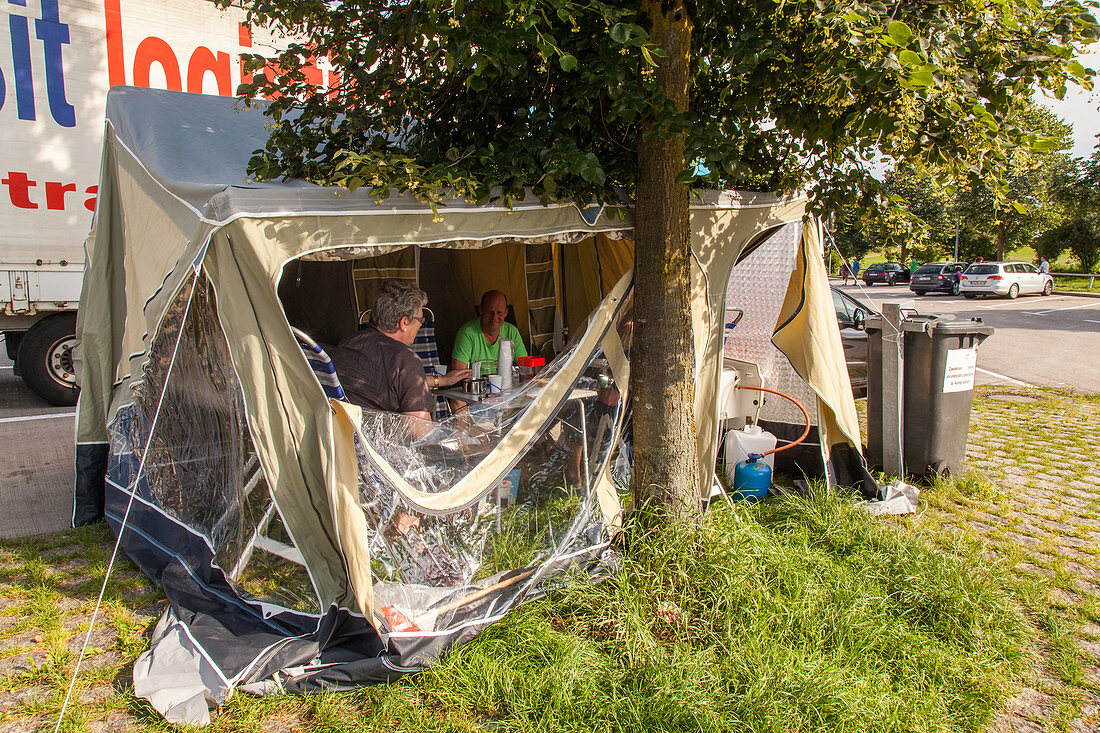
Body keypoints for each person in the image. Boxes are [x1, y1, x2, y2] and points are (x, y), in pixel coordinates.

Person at [332, 280, 467, 436]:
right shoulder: (405, 360)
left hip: (342, 442)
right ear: (404, 322)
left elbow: (388, 381)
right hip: (380, 453)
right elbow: (420, 432)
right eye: (420, 320)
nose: (421, 325)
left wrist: (441, 381)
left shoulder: (348, 344)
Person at [451, 290, 528, 376]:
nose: (494, 317)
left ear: (506, 312)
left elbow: (525, 367)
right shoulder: (467, 333)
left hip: (504, 386)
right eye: (490, 312)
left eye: (499, 313)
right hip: (477, 387)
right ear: (481, 310)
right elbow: (457, 374)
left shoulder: (512, 331)